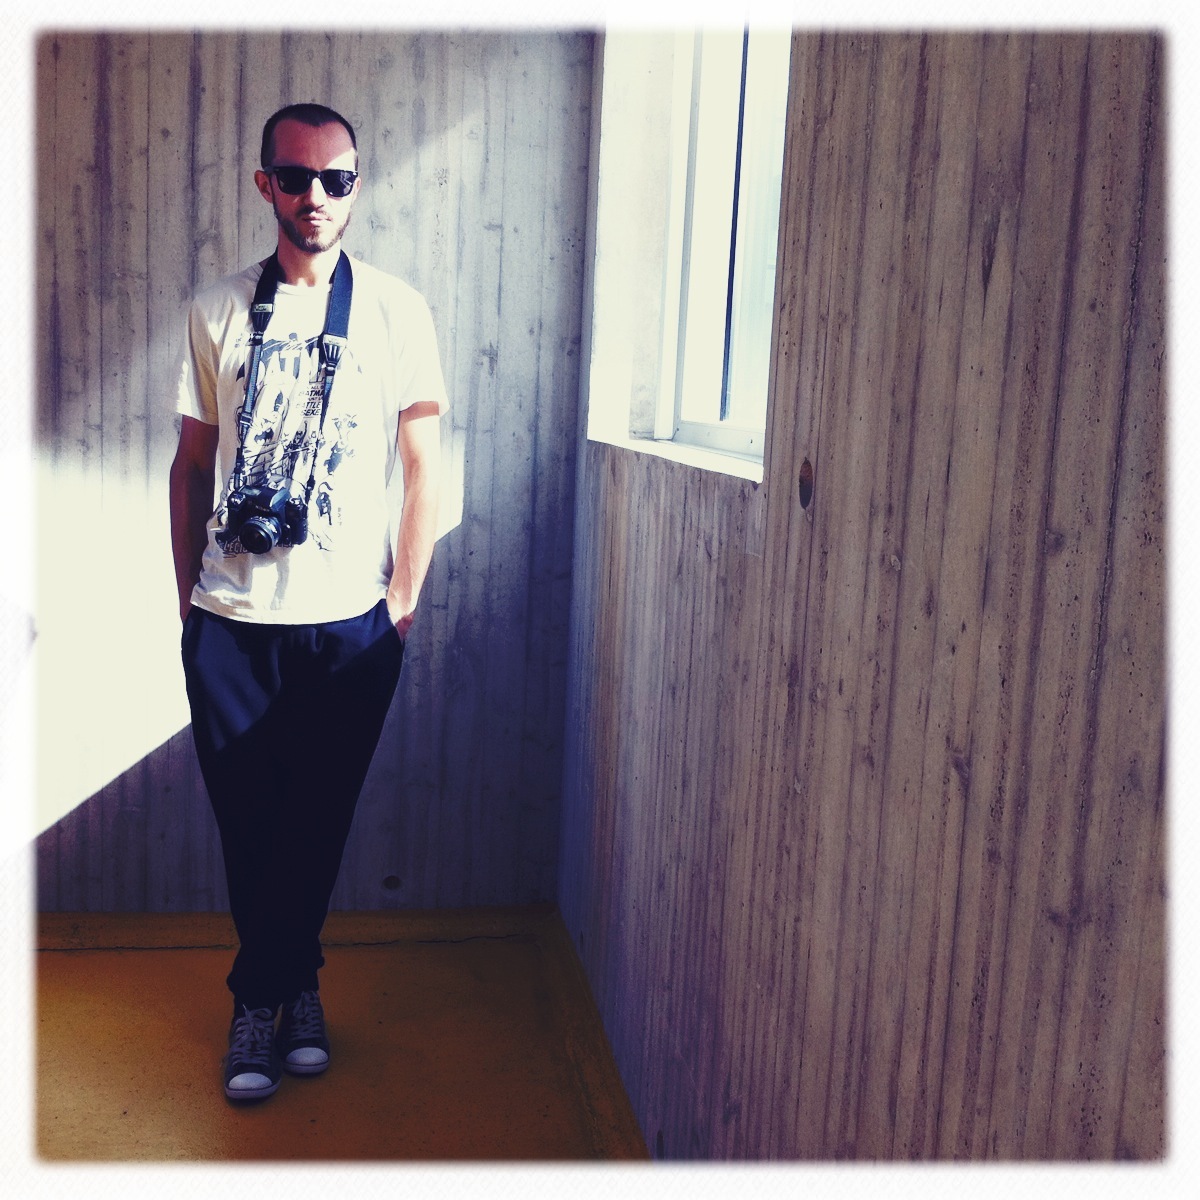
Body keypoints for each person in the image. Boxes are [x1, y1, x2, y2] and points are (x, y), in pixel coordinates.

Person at [169, 102, 447, 1102]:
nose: (316, 196)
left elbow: (424, 466)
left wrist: (401, 603)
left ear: (356, 187)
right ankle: (288, 994)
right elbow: (190, 466)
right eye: (295, 177)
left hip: (348, 628)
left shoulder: (397, 311)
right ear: (265, 186)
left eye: (337, 179)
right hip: (232, 625)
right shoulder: (216, 310)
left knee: (315, 826)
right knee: (251, 827)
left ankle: (264, 997)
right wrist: (189, 608)